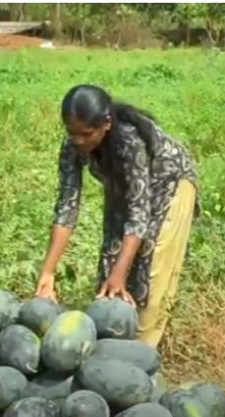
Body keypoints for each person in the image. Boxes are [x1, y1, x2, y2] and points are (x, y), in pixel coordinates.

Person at [35, 84, 199, 348]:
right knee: (111, 257)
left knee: (150, 263)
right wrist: (48, 272)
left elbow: (138, 216)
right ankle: (110, 336)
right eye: (71, 133)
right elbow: (67, 206)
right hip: (125, 186)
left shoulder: (130, 142)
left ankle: (142, 349)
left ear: (106, 123)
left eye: (86, 134)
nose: (79, 141)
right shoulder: (72, 146)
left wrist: (121, 273)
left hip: (170, 182)